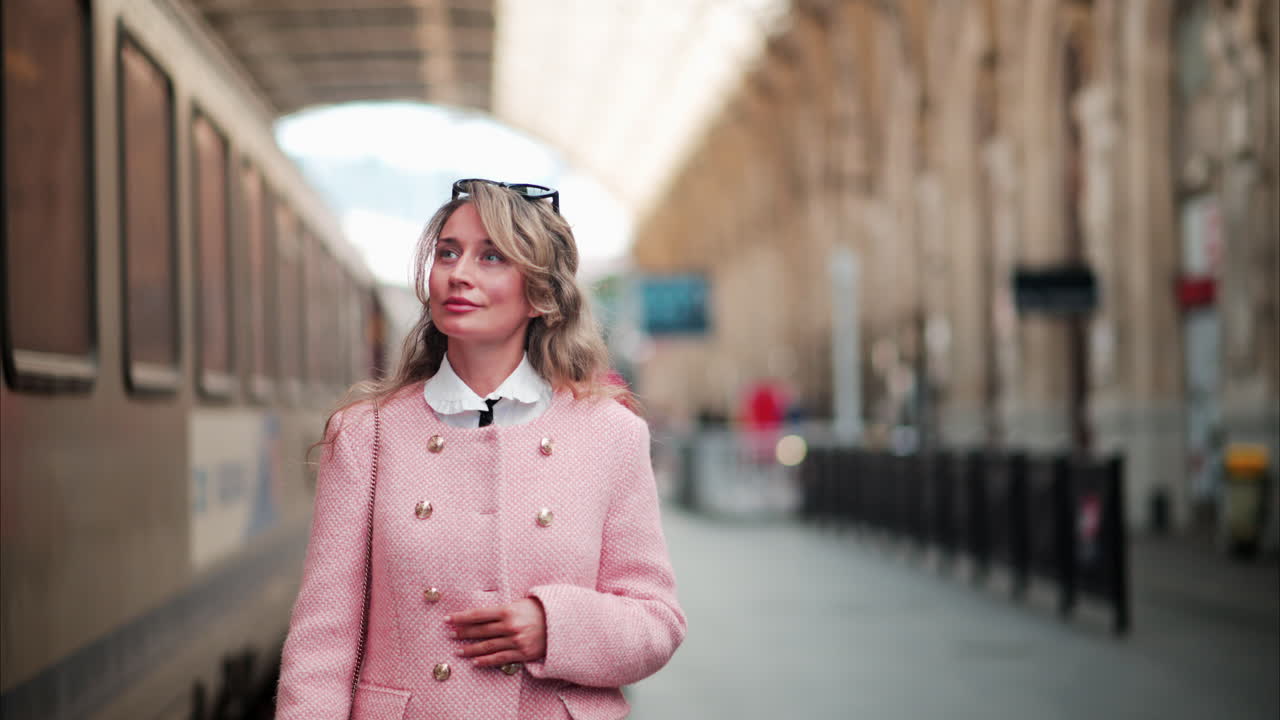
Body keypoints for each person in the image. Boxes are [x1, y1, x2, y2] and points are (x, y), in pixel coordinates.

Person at [275, 179, 686, 719]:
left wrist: (554, 627)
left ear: (540, 295)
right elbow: (321, 645)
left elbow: (657, 621)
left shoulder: (610, 433)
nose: (458, 273)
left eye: (491, 256)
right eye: (448, 252)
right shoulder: (366, 436)